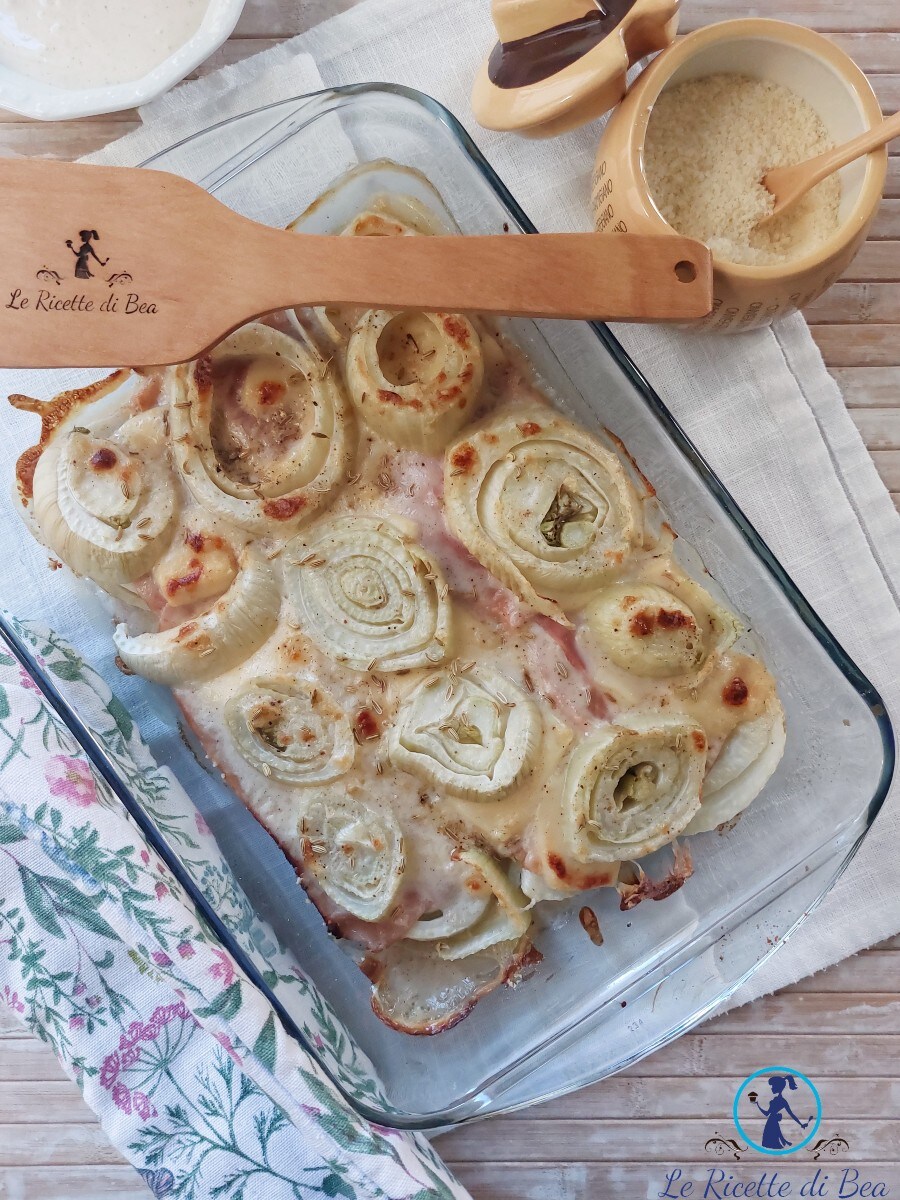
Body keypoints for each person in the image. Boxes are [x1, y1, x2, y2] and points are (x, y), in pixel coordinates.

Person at [752, 1075, 811, 1150]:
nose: (771, 1088)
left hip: (771, 1122)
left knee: (772, 1144)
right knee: (772, 1143)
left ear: (778, 1087)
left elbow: (791, 1114)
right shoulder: (777, 1100)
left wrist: (800, 1124)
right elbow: (767, 1114)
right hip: (771, 1122)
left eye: (773, 1086)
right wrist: (757, 1105)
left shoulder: (782, 1101)